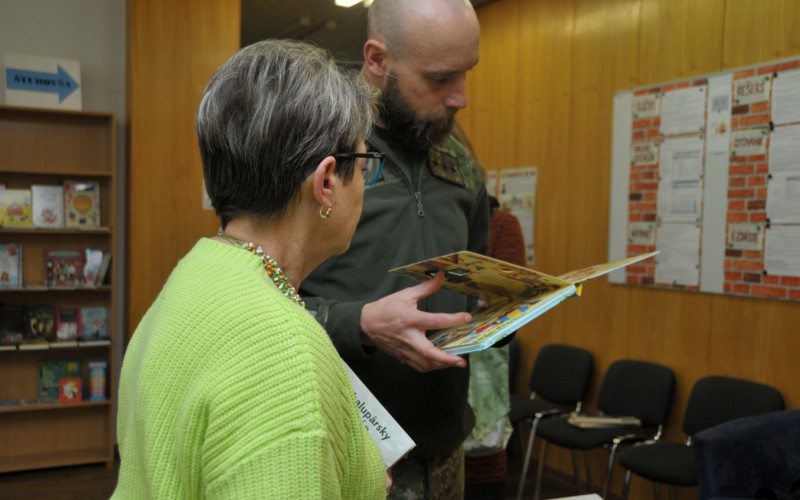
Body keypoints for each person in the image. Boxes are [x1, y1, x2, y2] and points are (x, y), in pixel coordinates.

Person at [112, 39, 387, 499]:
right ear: (326, 182)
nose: (365, 186)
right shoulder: (281, 350)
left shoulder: (195, 274)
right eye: (364, 166)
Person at [301, 0, 490, 497]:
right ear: (377, 59)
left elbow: (476, 279)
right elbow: (255, 299)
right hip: (348, 458)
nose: (461, 98)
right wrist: (359, 323)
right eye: (440, 78)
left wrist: (503, 310)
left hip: (445, 455)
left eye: (467, 73)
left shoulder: (458, 155)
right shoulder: (315, 147)